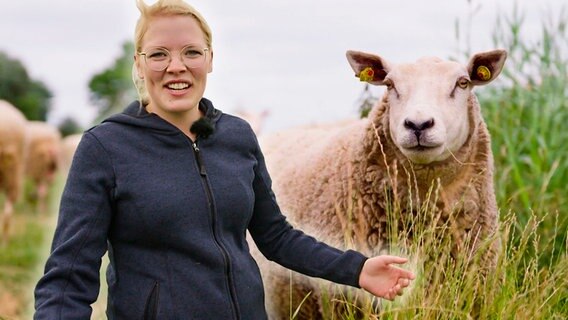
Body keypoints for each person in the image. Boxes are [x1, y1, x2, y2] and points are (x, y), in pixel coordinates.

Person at [34, 0, 415, 319]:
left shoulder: (236, 136)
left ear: (210, 59)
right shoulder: (106, 147)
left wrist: (357, 268)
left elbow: (276, 237)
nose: (176, 66)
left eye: (191, 52)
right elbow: (68, 277)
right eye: (159, 55)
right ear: (139, 62)